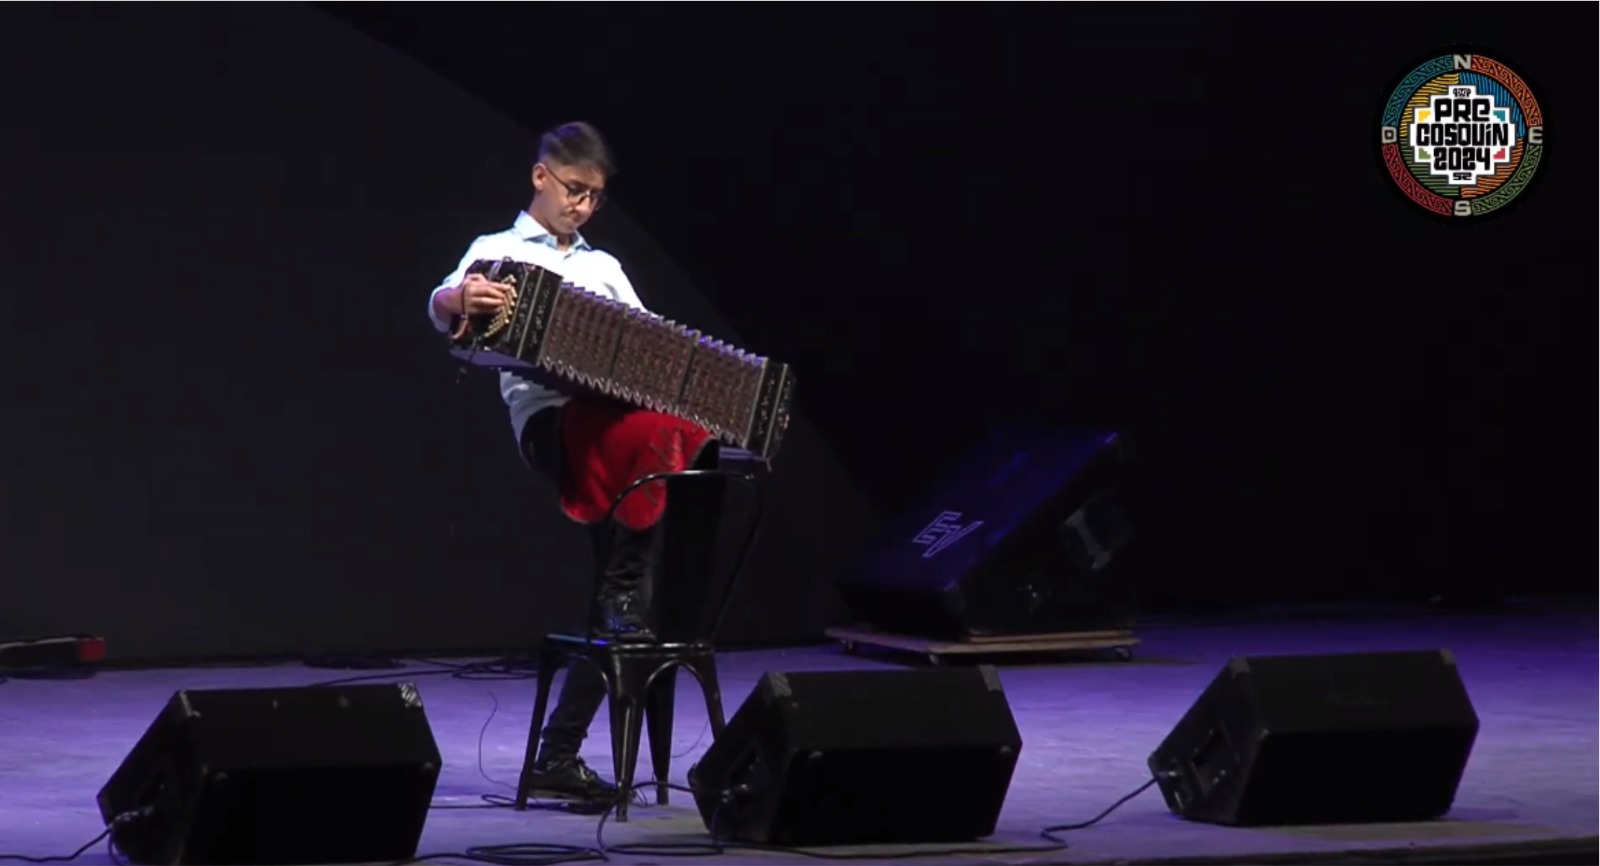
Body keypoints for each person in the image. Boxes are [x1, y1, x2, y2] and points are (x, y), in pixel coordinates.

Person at [425, 121, 712, 804]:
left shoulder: (603, 267)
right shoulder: (496, 251)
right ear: (541, 176)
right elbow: (441, 304)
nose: (582, 205)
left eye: (594, 197)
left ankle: (558, 753)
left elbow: (650, 348)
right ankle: (615, 619)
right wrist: (461, 299)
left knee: (628, 593)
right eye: (574, 189)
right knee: (632, 558)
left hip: (618, 424)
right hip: (553, 423)